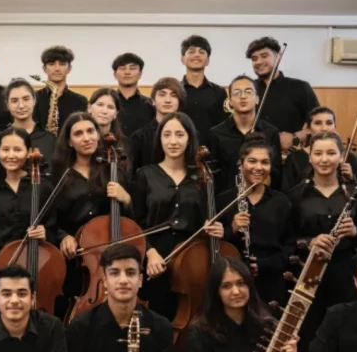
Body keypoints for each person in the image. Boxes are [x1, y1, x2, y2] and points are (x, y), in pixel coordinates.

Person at [130, 113, 224, 321]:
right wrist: (150, 252)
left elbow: (206, 223)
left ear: (189, 138)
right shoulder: (145, 175)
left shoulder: (202, 177)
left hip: (191, 256)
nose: (173, 141)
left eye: (180, 134)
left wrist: (217, 229)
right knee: (154, 318)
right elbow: (135, 222)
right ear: (159, 139)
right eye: (167, 135)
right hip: (155, 258)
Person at [288, 131, 357, 352]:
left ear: (341, 156)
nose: (324, 159)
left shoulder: (354, 193)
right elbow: (286, 240)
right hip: (307, 270)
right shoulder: (296, 196)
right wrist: (309, 241)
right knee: (308, 329)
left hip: (343, 270)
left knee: (344, 328)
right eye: (318, 153)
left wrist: (356, 231)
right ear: (310, 157)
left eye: (330, 153)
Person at [52, 112, 131, 319]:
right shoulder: (59, 176)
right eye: (78, 134)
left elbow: (132, 221)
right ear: (69, 141)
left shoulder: (112, 170)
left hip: (109, 249)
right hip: (75, 258)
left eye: (90, 131)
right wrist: (63, 237)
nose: (86, 138)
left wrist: (126, 199)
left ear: (98, 134)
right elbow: (51, 219)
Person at [215, 135, 294, 307]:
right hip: (233, 283)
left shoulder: (282, 202)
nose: (259, 167)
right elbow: (215, 247)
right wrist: (232, 228)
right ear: (240, 164)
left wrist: (264, 265)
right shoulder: (224, 201)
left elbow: (290, 247)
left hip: (271, 283)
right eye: (252, 161)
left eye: (265, 162)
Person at [0, 127, 61, 301]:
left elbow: (55, 228)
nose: (11, 155)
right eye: (5, 149)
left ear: (28, 152)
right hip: (1, 266)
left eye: (17, 149)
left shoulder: (43, 187)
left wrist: (45, 234)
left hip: (38, 265)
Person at [203, 74, 282, 190]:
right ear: (229, 101)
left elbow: (276, 172)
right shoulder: (216, 134)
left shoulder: (270, 132)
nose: (243, 96)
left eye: (248, 91)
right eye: (236, 93)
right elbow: (214, 175)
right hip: (227, 201)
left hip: (262, 200)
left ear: (257, 99)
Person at [247, 36, 320, 152]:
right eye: (254, 58)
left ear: (278, 57)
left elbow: (319, 124)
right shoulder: (248, 90)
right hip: (257, 159)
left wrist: (294, 137)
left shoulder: (301, 87)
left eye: (264, 56)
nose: (259, 61)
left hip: (293, 158)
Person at [281, 106, 357, 191]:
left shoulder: (349, 158)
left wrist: (352, 180)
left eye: (329, 123)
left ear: (335, 127)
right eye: (318, 123)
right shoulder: (294, 159)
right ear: (308, 129)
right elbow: (286, 194)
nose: (324, 128)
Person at [128, 76, 186, 172]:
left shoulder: (191, 134)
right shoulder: (139, 136)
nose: (168, 100)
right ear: (153, 101)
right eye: (162, 95)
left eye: (174, 95)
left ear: (180, 101)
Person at [0, 79, 56, 163]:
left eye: (26, 99)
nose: (21, 106)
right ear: (7, 105)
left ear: (34, 100)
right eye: (14, 101)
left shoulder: (49, 139)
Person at [33, 45, 88, 133]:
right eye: (51, 64)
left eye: (62, 64)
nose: (57, 69)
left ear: (69, 69)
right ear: (44, 69)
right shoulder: (33, 98)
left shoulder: (81, 101)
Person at [179, 35, 228, 133]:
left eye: (202, 52)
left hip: (211, 147)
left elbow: (224, 125)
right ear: (183, 59)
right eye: (191, 51)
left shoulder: (219, 92)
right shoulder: (175, 91)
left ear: (208, 61)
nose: (197, 55)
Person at [111, 52, 155, 137]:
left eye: (132, 68)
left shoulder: (150, 104)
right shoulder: (108, 103)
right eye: (122, 68)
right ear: (115, 74)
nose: (127, 72)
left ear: (140, 74)